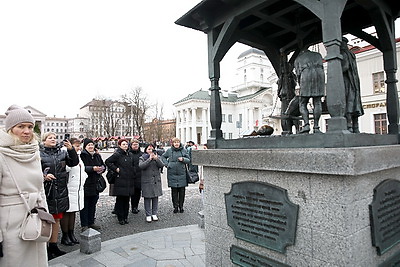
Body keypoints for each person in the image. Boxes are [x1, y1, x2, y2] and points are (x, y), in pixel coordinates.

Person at [0, 105, 48, 266]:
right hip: (10, 225)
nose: (27, 131)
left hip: (35, 219)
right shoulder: (1, 155)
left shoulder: (34, 151)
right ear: (10, 129)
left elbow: (40, 188)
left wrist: (46, 218)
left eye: (29, 126)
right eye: (20, 126)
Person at [41, 132, 79, 260]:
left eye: (54, 138)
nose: (53, 139)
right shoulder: (39, 153)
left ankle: (53, 246)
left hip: (60, 190)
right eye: (50, 138)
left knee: (57, 219)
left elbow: (73, 163)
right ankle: (44, 248)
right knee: (45, 220)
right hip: (47, 191)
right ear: (44, 140)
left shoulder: (62, 152)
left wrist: (71, 150)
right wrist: (44, 177)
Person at [60, 138, 88, 246]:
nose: (79, 148)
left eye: (79, 145)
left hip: (77, 188)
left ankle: (71, 234)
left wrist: (84, 177)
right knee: (66, 212)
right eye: (76, 146)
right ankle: (65, 235)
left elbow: (82, 170)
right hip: (69, 188)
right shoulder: (65, 154)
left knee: (73, 212)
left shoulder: (79, 156)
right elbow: (66, 169)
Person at [294, 48, 325, 134]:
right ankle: (316, 127)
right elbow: (322, 67)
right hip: (319, 75)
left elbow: (298, 73)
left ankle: (306, 125)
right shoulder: (318, 55)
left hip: (306, 75)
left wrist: (301, 84)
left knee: (302, 102)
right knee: (317, 101)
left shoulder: (298, 59)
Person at [105, 139, 135, 225]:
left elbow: (132, 165)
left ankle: (125, 216)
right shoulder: (117, 155)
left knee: (127, 200)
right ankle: (120, 217)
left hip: (129, 180)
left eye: (126, 144)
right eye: (123, 144)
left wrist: (133, 172)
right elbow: (108, 161)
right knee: (120, 199)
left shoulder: (130, 154)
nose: (125, 146)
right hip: (120, 179)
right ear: (120, 145)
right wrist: (116, 169)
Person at [79, 138, 106, 232]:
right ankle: (84, 224)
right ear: (85, 146)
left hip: (95, 183)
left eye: (92, 145)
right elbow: (81, 168)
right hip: (86, 183)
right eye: (88, 145)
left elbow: (103, 165)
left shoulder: (97, 155)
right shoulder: (82, 155)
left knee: (93, 204)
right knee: (85, 205)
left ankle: (91, 222)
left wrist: (102, 168)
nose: (91, 146)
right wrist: (92, 168)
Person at [341, 37, 364, 133]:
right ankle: (355, 127)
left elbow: (345, 67)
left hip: (346, 81)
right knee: (355, 104)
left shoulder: (344, 54)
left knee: (348, 103)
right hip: (354, 82)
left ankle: (348, 126)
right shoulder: (352, 54)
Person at [161, 137, 190, 213]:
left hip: (182, 174)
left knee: (182, 191)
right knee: (174, 192)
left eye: (178, 142)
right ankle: (175, 206)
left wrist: (183, 159)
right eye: (175, 142)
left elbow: (189, 160)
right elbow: (163, 157)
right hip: (172, 173)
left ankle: (181, 206)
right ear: (172, 143)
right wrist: (167, 164)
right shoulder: (169, 151)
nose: (176, 143)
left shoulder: (184, 150)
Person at [139, 144, 164, 222]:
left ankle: (154, 213)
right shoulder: (142, 157)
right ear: (146, 150)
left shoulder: (157, 157)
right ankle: (148, 214)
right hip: (147, 180)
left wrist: (156, 159)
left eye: (152, 149)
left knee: (155, 197)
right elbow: (141, 166)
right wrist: (149, 159)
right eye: (149, 149)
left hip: (156, 180)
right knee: (147, 198)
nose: (151, 151)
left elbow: (162, 165)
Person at [129, 139, 142, 214]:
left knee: (137, 192)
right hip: (130, 176)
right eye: (134, 144)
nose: (136, 145)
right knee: (130, 193)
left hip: (139, 175)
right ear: (131, 145)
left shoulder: (141, 154)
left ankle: (135, 206)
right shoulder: (128, 153)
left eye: (137, 144)